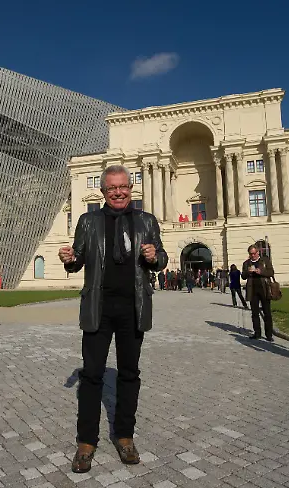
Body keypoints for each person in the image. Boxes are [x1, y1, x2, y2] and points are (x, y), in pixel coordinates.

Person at [58, 165, 168, 473]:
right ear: (104, 192)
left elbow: (161, 257)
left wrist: (153, 257)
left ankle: (124, 435)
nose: (118, 192)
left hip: (133, 308)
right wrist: (70, 260)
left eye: (123, 187)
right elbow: (77, 259)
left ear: (130, 188)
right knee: (91, 376)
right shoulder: (88, 220)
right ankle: (86, 441)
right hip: (98, 307)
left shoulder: (146, 221)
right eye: (111, 189)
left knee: (129, 374)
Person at [241, 245, 274, 341]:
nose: (253, 255)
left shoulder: (265, 260)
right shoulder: (246, 263)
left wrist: (261, 272)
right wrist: (248, 272)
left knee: (267, 312)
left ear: (258, 252)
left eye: (254, 253)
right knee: (254, 313)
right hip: (253, 290)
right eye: (251, 254)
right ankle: (257, 333)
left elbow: (271, 272)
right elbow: (243, 276)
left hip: (264, 289)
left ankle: (269, 335)